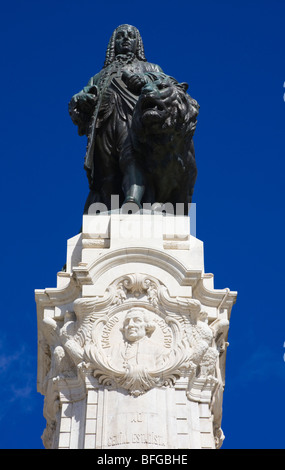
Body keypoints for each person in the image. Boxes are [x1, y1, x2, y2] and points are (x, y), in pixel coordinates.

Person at [69, 24, 164, 212]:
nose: (126, 39)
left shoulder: (150, 67)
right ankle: (106, 209)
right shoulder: (98, 76)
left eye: (131, 36)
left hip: (132, 119)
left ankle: (132, 200)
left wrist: (146, 80)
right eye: (120, 36)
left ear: (138, 43)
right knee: (106, 171)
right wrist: (81, 100)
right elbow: (78, 101)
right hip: (103, 122)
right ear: (114, 44)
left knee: (132, 157)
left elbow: (167, 86)